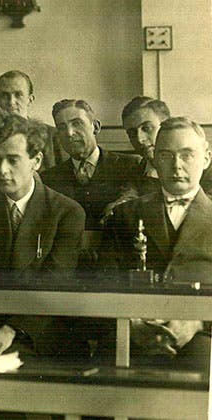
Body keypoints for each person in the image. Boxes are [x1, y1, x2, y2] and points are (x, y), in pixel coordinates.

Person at [0, 111, 85, 358]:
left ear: (36, 160)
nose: (1, 170)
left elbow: (53, 284)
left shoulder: (66, 212)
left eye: (13, 160)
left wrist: (11, 330)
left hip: (39, 328)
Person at [99, 117, 211, 371]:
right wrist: (132, 323)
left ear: (206, 159)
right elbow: (104, 281)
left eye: (187, 155)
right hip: (133, 331)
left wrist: (197, 324)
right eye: (166, 155)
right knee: (103, 371)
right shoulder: (126, 215)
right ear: (155, 160)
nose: (177, 165)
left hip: (203, 335)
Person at [42, 99, 140, 230]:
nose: (69, 133)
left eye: (77, 123)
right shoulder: (49, 179)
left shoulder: (130, 166)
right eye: (61, 127)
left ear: (96, 127)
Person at [121, 96, 212, 197]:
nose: (139, 139)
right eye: (132, 133)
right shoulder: (139, 170)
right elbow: (125, 199)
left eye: (147, 128)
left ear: (167, 125)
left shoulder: (205, 167)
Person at [0, 70, 66, 170]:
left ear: (30, 99)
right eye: (5, 95)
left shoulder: (53, 137)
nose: (11, 102)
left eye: (18, 95)